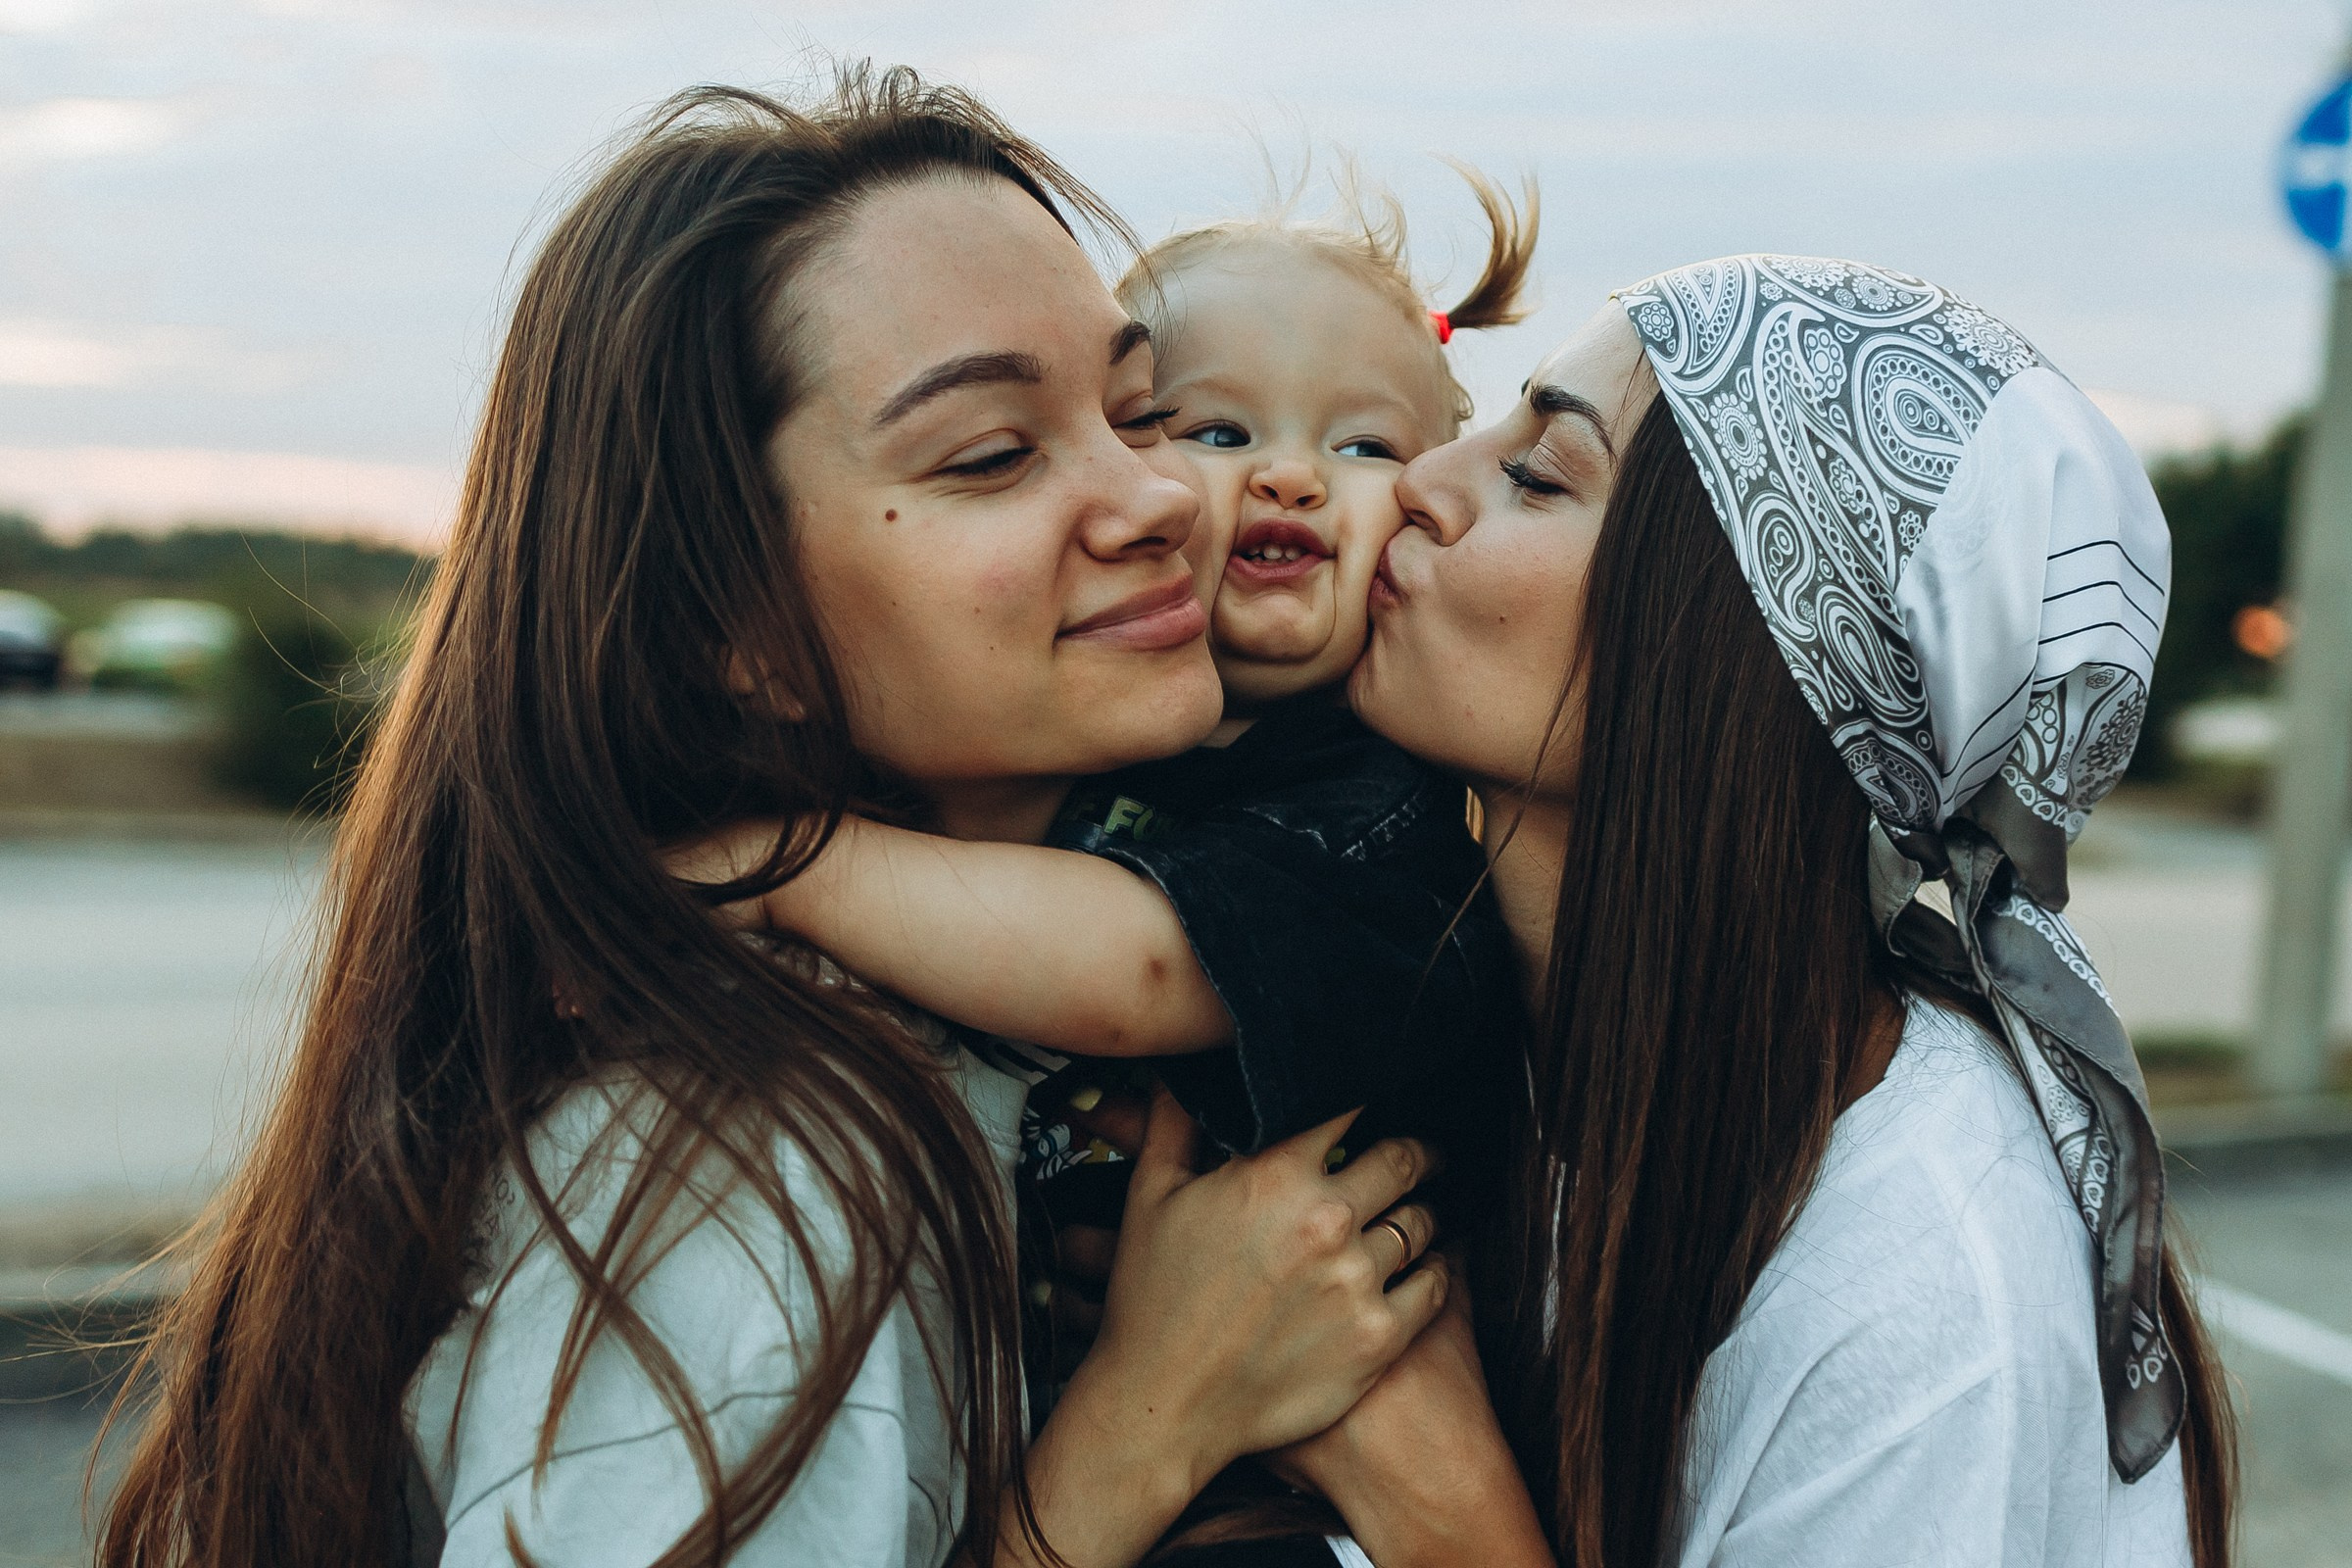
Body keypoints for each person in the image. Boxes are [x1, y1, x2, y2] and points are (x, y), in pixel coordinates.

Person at [94, 71, 1453, 1568]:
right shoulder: (753, 1175)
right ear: (727, 619)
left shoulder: (949, 1024)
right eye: (994, 453)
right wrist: (1139, 1430)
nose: (1163, 499)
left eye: (1138, 411)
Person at [1269, 256, 2240, 1566]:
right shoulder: (1484, 1049)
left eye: (1537, 472)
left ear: (1740, 656)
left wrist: (1433, 1497)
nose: (1419, 485)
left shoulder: (1919, 1287)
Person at [675, 169, 1540, 1181]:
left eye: (1365, 445)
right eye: (1214, 432)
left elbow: (1145, 963)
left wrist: (794, 870)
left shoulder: (1376, 818)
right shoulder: (1074, 747)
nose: (1292, 477)